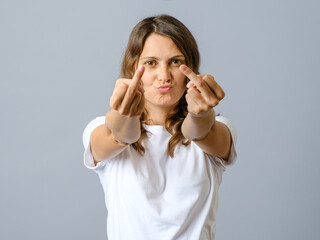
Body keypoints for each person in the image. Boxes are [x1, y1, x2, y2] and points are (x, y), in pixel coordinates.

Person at [82, 14, 237, 240]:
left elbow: (199, 131)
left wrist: (199, 113)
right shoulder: (98, 129)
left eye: (175, 62)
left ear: (190, 69)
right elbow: (119, 135)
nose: (164, 76)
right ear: (134, 67)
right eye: (151, 63)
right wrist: (125, 115)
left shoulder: (220, 127)